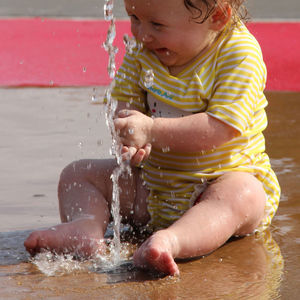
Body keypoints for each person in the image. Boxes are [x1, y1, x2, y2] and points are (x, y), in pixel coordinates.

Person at [24, 0, 280, 276]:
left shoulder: (238, 55)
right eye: (134, 18)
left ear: (217, 17)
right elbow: (125, 106)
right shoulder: (146, 49)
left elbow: (220, 128)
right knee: (77, 174)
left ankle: (173, 241)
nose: (142, 33)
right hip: (154, 187)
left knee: (246, 194)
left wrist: (151, 130)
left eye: (157, 24)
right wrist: (130, 138)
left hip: (215, 185)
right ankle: (86, 228)